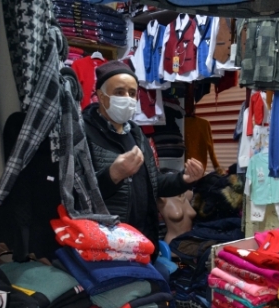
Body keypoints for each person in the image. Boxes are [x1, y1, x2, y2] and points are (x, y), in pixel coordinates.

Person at [82, 61, 205, 257]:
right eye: (120, 92)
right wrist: (113, 175)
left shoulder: (137, 134)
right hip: (107, 244)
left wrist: (184, 179)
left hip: (144, 240)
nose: (128, 98)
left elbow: (156, 184)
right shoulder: (83, 132)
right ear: (101, 96)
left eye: (132, 93)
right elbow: (76, 195)